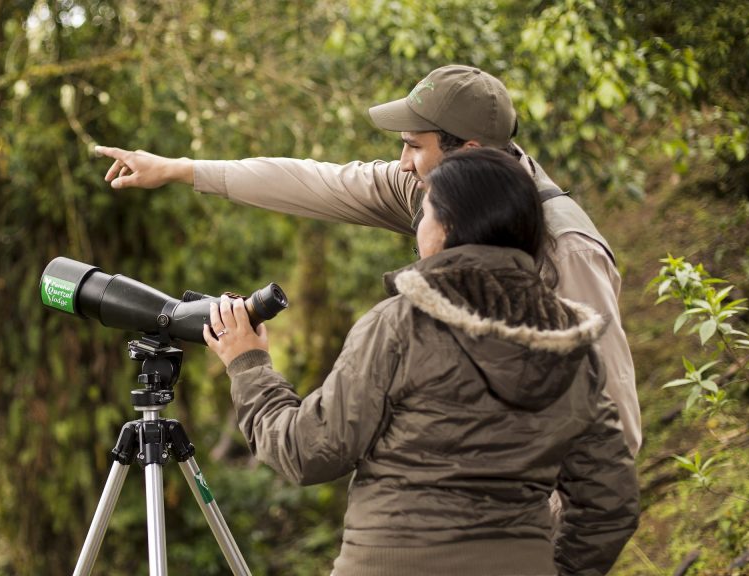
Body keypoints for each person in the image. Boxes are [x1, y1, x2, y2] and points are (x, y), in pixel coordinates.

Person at [94, 64, 642, 456]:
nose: (401, 163)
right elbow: (313, 181)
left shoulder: (566, 248)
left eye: (413, 145)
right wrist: (181, 168)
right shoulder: (427, 188)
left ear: (468, 152)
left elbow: (613, 420)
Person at [201, 148, 639, 576]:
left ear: (447, 228)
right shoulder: (573, 346)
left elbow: (308, 452)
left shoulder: (399, 326)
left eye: (425, 213)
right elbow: (610, 504)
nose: (418, 227)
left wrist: (249, 364)